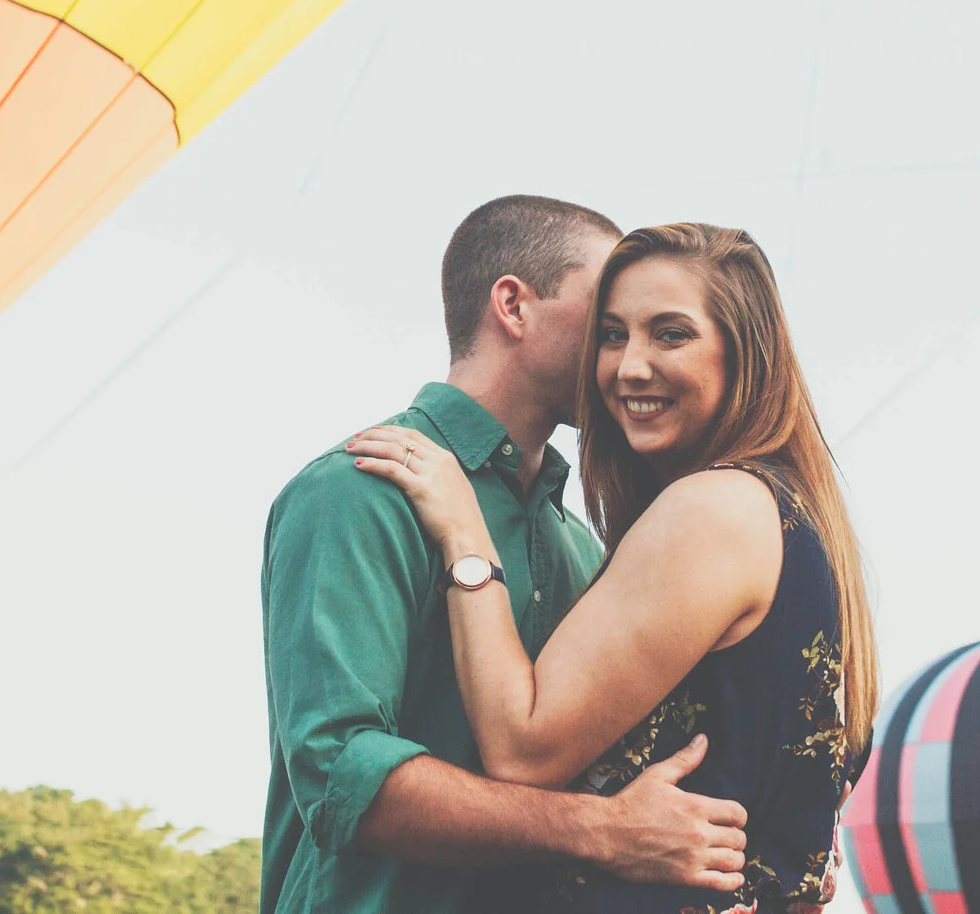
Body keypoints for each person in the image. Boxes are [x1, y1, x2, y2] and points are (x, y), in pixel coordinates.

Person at [348, 223, 877, 912]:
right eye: (612, 334)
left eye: (671, 333)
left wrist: (463, 528)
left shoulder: (712, 509)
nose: (628, 366)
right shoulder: (785, 516)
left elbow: (522, 748)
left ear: (745, 354)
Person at [261, 197, 756, 913]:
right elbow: (342, 774)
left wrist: (724, 858)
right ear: (514, 306)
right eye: (606, 320)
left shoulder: (580, 545)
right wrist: (602, 830)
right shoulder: (354, 491)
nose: (624, 355)